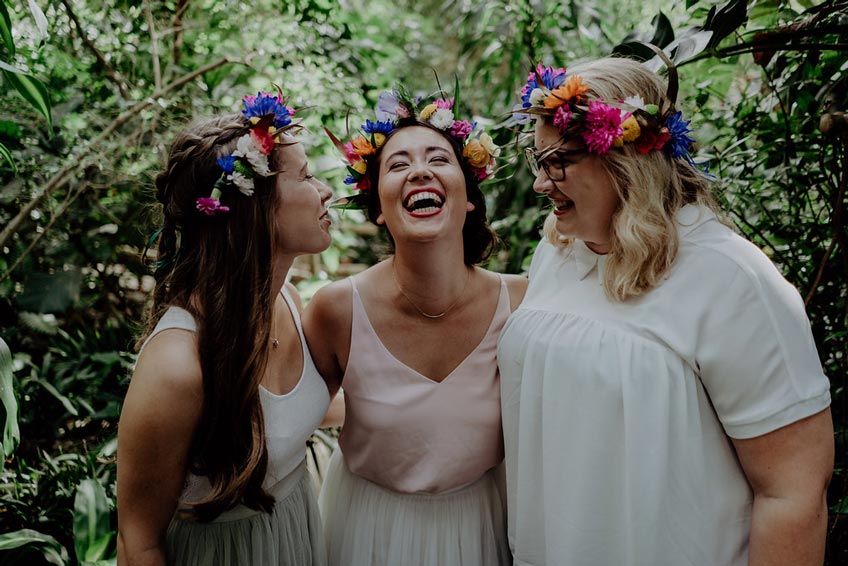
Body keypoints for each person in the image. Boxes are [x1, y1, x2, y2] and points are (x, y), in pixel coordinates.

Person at [498, 57, 834, 566]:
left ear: (626, 156)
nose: (542, 184)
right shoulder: (557, 254)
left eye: (558, 161)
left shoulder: (729, 277)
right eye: (537, 160)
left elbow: (792, 495)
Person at [303, 86, 527, 566]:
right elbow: (289, 418)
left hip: (483, 527)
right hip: (366, 530)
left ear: (468, 197)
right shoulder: (336, 310)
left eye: (438, 160)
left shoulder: (523, 304)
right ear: (379, 208)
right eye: (398, 165)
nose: (419, 171)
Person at [117, 91, 333, 566]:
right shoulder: (177, 366)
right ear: (257, 206)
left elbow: (293, 416)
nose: (326, 191)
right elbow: (138, 541)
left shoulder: (289, 303)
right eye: (307, 176)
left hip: (295, 537)